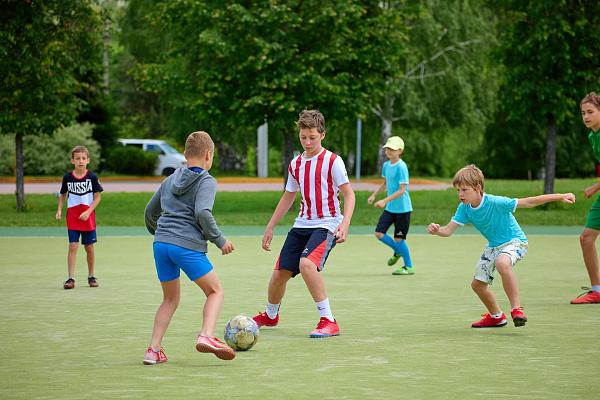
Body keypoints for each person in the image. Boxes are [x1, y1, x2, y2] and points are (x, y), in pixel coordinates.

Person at [427, 164, 575, 328]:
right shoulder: (465, 209)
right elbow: (448, 231)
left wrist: (560, 196)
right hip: (494, 247)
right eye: (458, 190)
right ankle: (496, 317)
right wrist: (436, 231)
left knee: (502, 263)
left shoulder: (496, 202)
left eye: (464, 190)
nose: (460, 194)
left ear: (478, 188)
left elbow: (529, 202)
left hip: (516, 242)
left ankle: (516, 309)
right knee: (477, 286)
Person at [253, 109, 355, 338]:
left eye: (312, 137)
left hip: (328, 224)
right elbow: (288, 196)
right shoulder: (295, 164)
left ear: (322, 135)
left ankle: (329, 321)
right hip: (301, 225)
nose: (307, 142)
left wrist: (345, 223)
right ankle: (270, 316)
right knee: (279, 275)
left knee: (307, 264)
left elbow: (349, 195)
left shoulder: (333, 161)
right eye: (303, 137)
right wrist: (270, 226)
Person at [143, 131, 236, 365]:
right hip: (185, 245)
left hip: (160, 245)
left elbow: (149, 212)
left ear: (185, 154)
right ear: (209, 155)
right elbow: (202, 212)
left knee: (170, 299)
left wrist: (161, 234)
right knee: (215, 292)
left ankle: (153, 351)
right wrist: (219, 240)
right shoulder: (206, 180)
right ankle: (206, 335)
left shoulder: (170, 178)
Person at [56, 145, 103, 289]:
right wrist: (59, 210)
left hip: (88, 218)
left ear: (88, 160)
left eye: (83, 158)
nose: (80, 161)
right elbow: (63, 194)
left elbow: (97, 197)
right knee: (73, 246)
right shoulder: (68, 178)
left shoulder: (92, 177)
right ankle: (71, 278)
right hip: (73, 217)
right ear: (72, 161)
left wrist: (88, 212)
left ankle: (91, 276)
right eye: (77, 158)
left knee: (89, 247)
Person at [367, 136, 414, 275]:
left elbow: (402, 190)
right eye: (387, 148)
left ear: (400, 151)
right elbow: (385, 183)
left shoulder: (402, 167)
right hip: (390, 209)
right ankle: (398, 251)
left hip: (403, 209)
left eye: (393, 149)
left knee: (399, 239)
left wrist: (384, 201)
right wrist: (374, 195)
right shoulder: (386, 165)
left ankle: (409, 267)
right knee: (379, 233)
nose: (389, 151)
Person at [573, 92, 600, 304]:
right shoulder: (592, 136)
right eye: (583, 113)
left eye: (590, 112)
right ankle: (597, 291)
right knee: (586, 238)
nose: (586, 117)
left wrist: (594, 187)